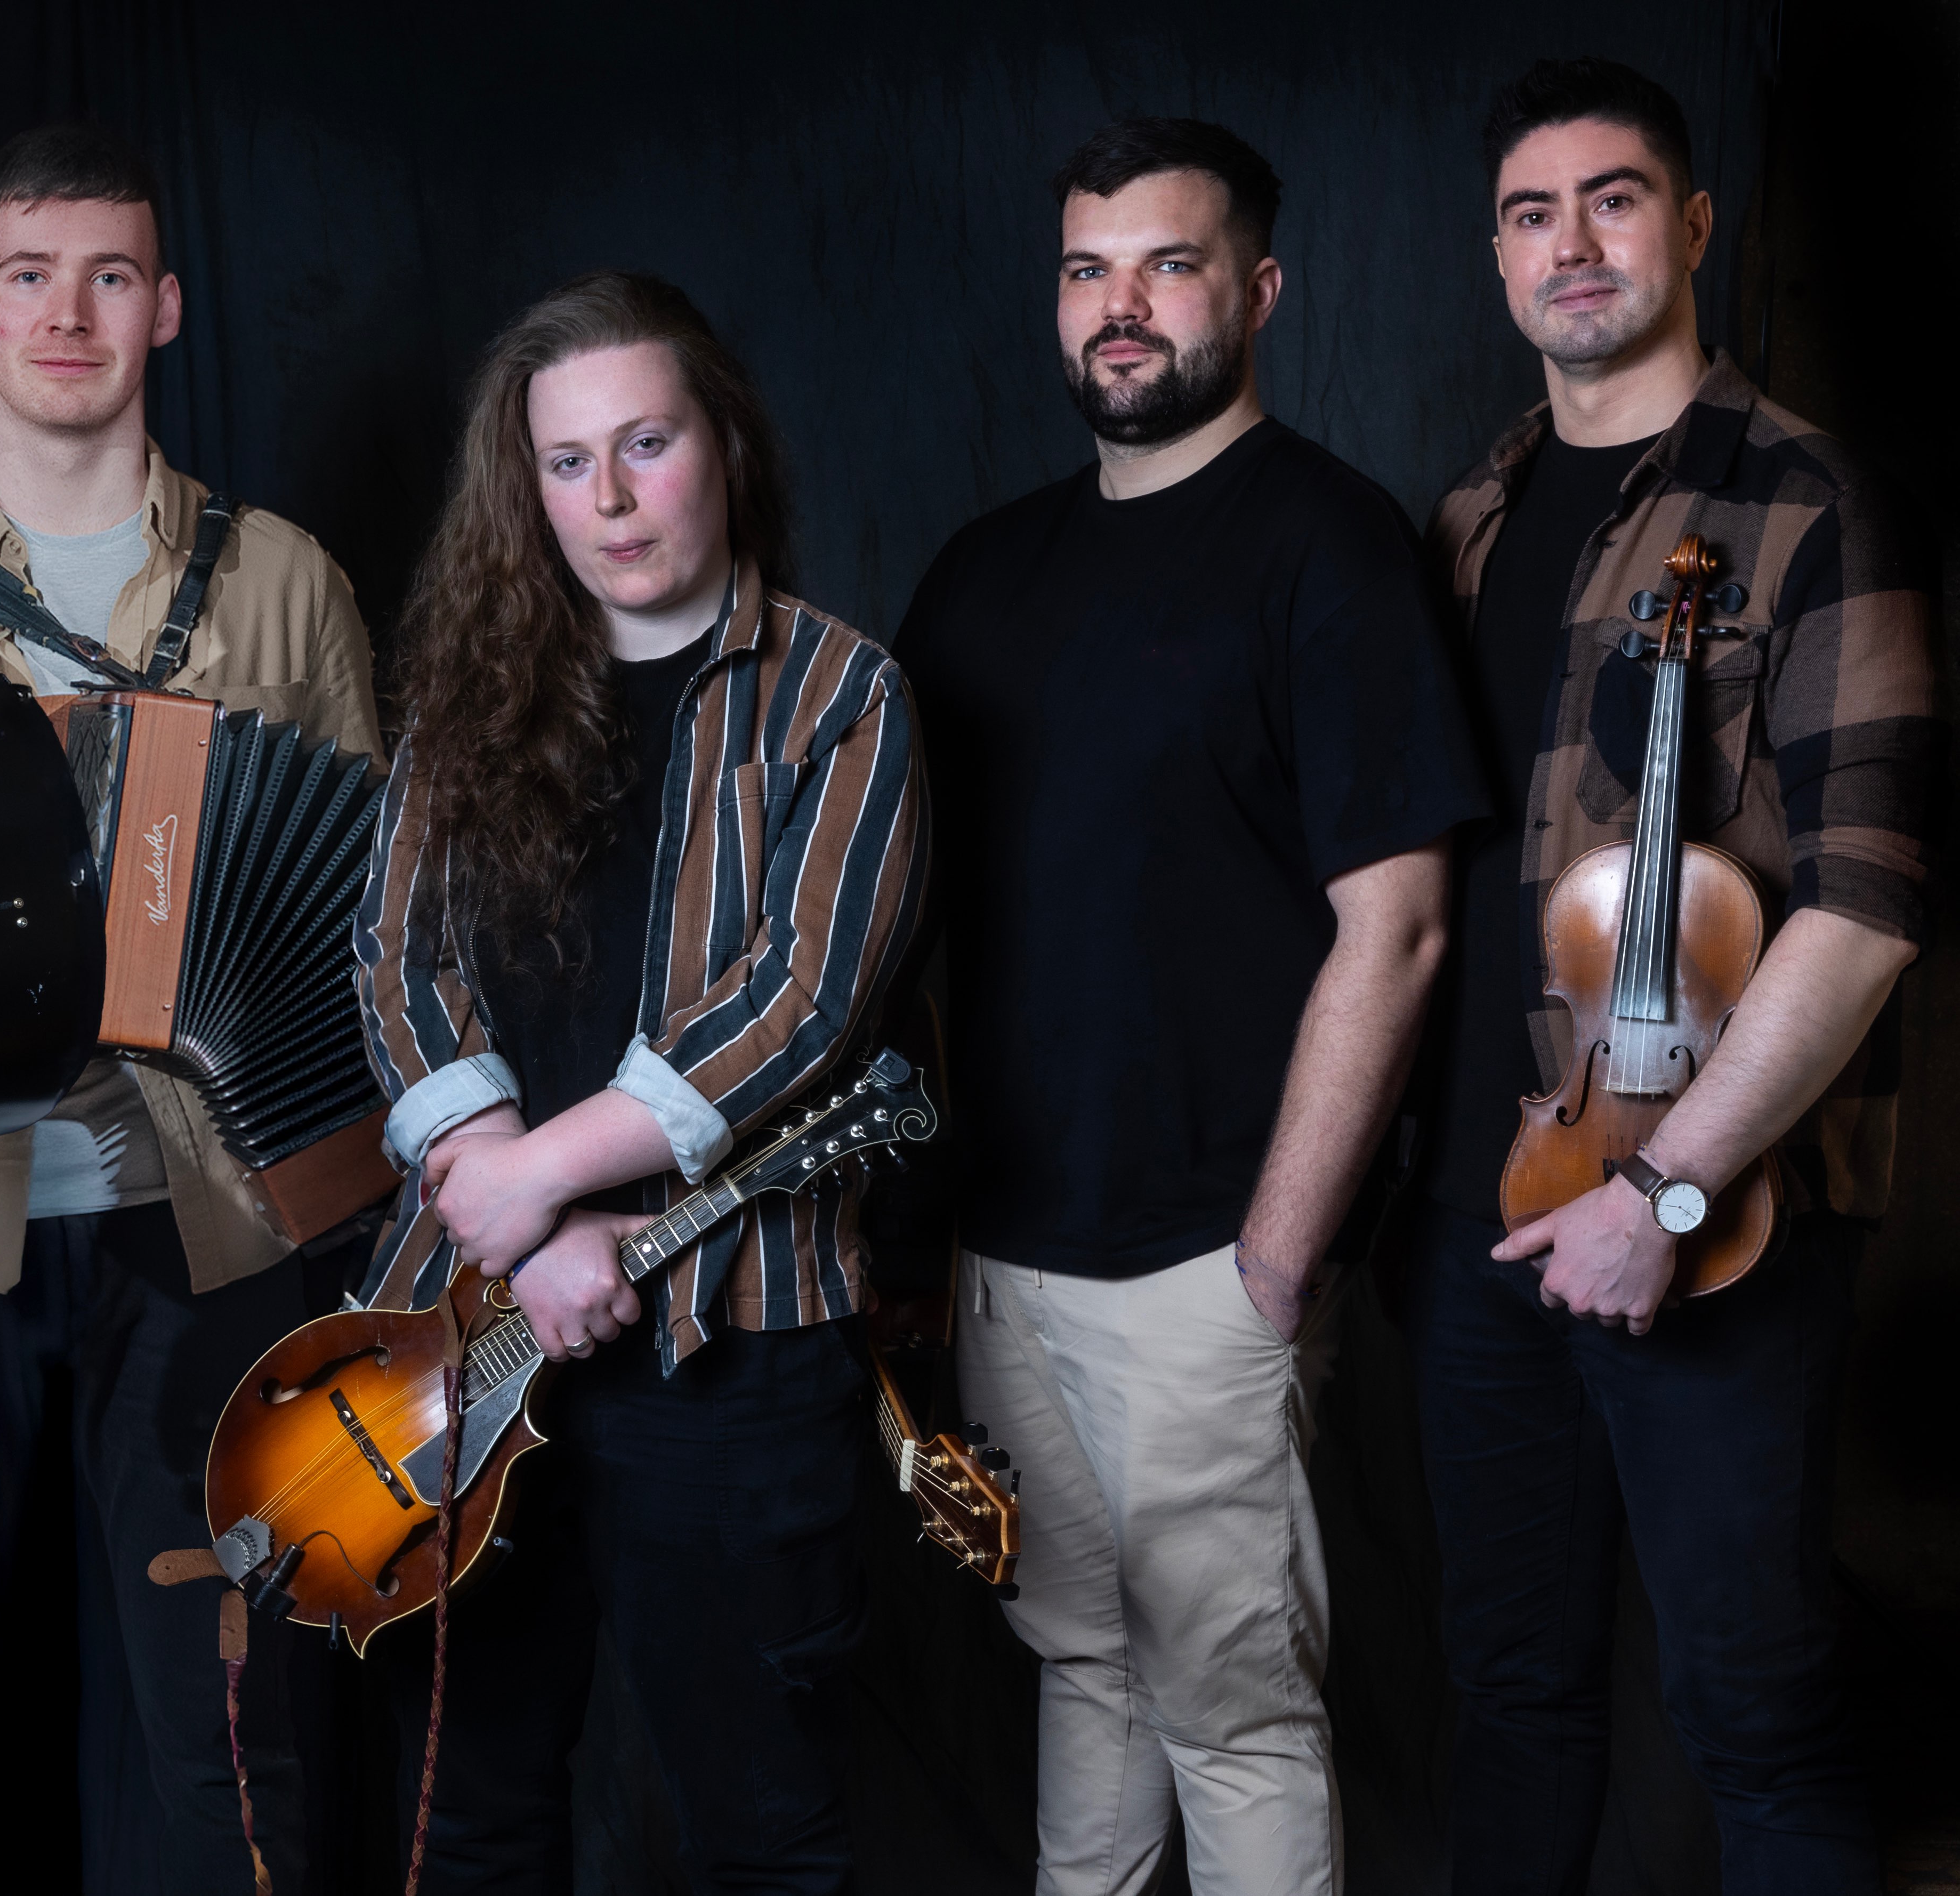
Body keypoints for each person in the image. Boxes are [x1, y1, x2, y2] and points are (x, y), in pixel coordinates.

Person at [0, 123, 382, 1893]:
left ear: (167, 308)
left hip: (208, 1222)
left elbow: (369, 896)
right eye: (29, 276)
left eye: (110, 276)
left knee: (222, 1726)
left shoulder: (286, 581)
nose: (69, 313)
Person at [893, 120, 1485, 1894]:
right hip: (1004, 1254)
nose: (1123, 305)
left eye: (1169, 263)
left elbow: (1398, 929)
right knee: (1085, 1664)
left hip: (1205, 1263)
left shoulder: (1329, 546)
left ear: (1261, 290)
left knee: (1235, 1710)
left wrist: (1278, 1264)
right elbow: (913, 934)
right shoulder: (979, 575)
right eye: (1089, 267)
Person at [1406, 58, 1941, 1894]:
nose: (1575, 243)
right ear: (1495, 257)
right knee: (1511, 1689)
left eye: (1616, 198)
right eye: (1534, 212)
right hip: (1488, 1204)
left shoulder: (1805, 501)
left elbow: (1864, 908)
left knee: (1756, 1709)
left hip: (1712, 1212)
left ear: (1692, 226)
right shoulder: (1467, 519)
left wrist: (1667, 1182)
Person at [351, 270, 926, 1892]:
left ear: (724, 443)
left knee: (763, 1832)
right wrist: (519, 1224)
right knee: (468, 1818)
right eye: (567, 461)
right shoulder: (470, 697)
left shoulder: (841, 696)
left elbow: (802, 996)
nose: (609, 499)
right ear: (522, 488)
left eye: (648, 444)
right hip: (460, 1330)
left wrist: (550, 1176)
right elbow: (395, 957)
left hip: (733, 1351)